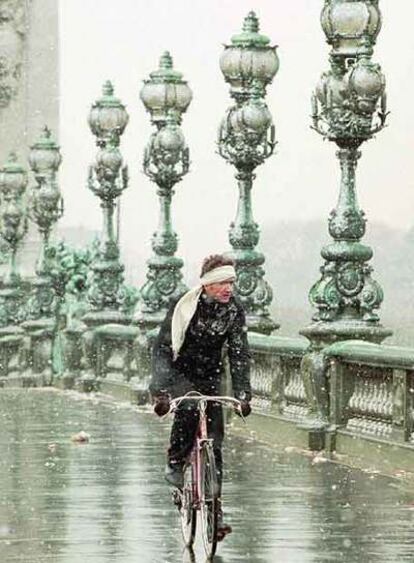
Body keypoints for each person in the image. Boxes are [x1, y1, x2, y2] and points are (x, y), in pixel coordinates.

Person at [150, 254, 252, 538]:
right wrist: (160, 390)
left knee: (215, 443)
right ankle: (176, 461)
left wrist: (243, 393)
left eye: (231, 282)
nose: (228, 288)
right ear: (207, 284)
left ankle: (215, 514)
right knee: (190, 409)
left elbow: (239, 353)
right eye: (222, 282)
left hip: (211, 375)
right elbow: (162, 347)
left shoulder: (233, 310)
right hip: (180, 372)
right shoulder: (185, 306)